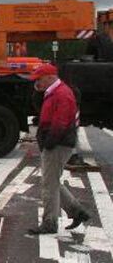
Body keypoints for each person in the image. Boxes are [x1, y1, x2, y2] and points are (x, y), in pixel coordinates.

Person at [27, 63, 90, 234]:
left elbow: (60, 123)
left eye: (39, 79)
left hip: (57, 144)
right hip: (58, 143)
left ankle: (50, 222)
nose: (37, 83)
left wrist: (49, 142)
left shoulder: (61, 94)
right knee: (52, 181)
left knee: (49, 184)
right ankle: (77, 211)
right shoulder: (55, 92)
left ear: (49, 77)